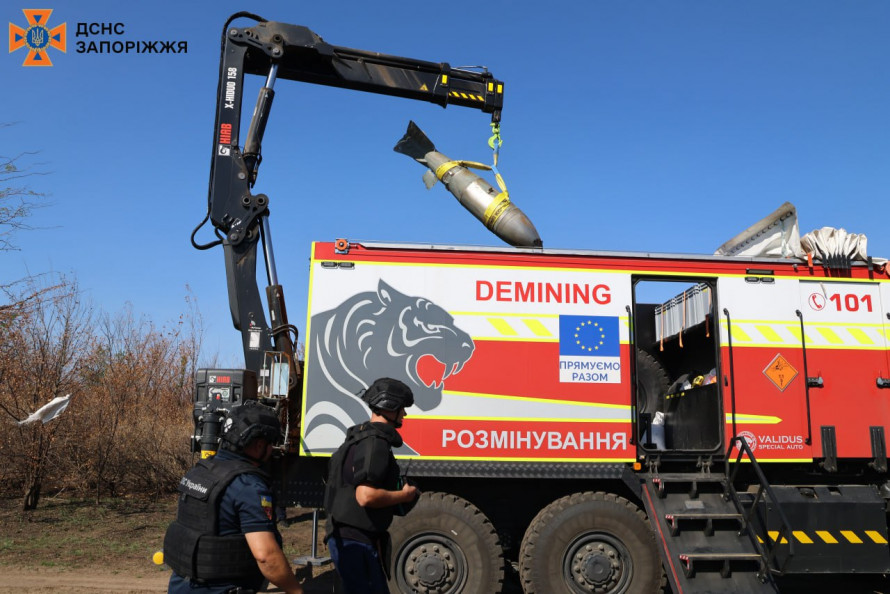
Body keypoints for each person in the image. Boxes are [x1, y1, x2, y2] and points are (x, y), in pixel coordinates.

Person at [165, 400, 303, 594]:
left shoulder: (200, 471)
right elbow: (266, 557)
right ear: (259, 445)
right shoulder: (247, 485)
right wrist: (297, 591)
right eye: (271, 444)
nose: (272, 450)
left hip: (180, 586)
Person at [324, 378, 421, 594]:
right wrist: (403, 496)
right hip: (355, 542)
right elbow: (365, 496)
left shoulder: (358, 438)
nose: (404, 415)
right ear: (390, 407)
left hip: (348, 537)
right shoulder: (375, 442)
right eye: (402, 409)